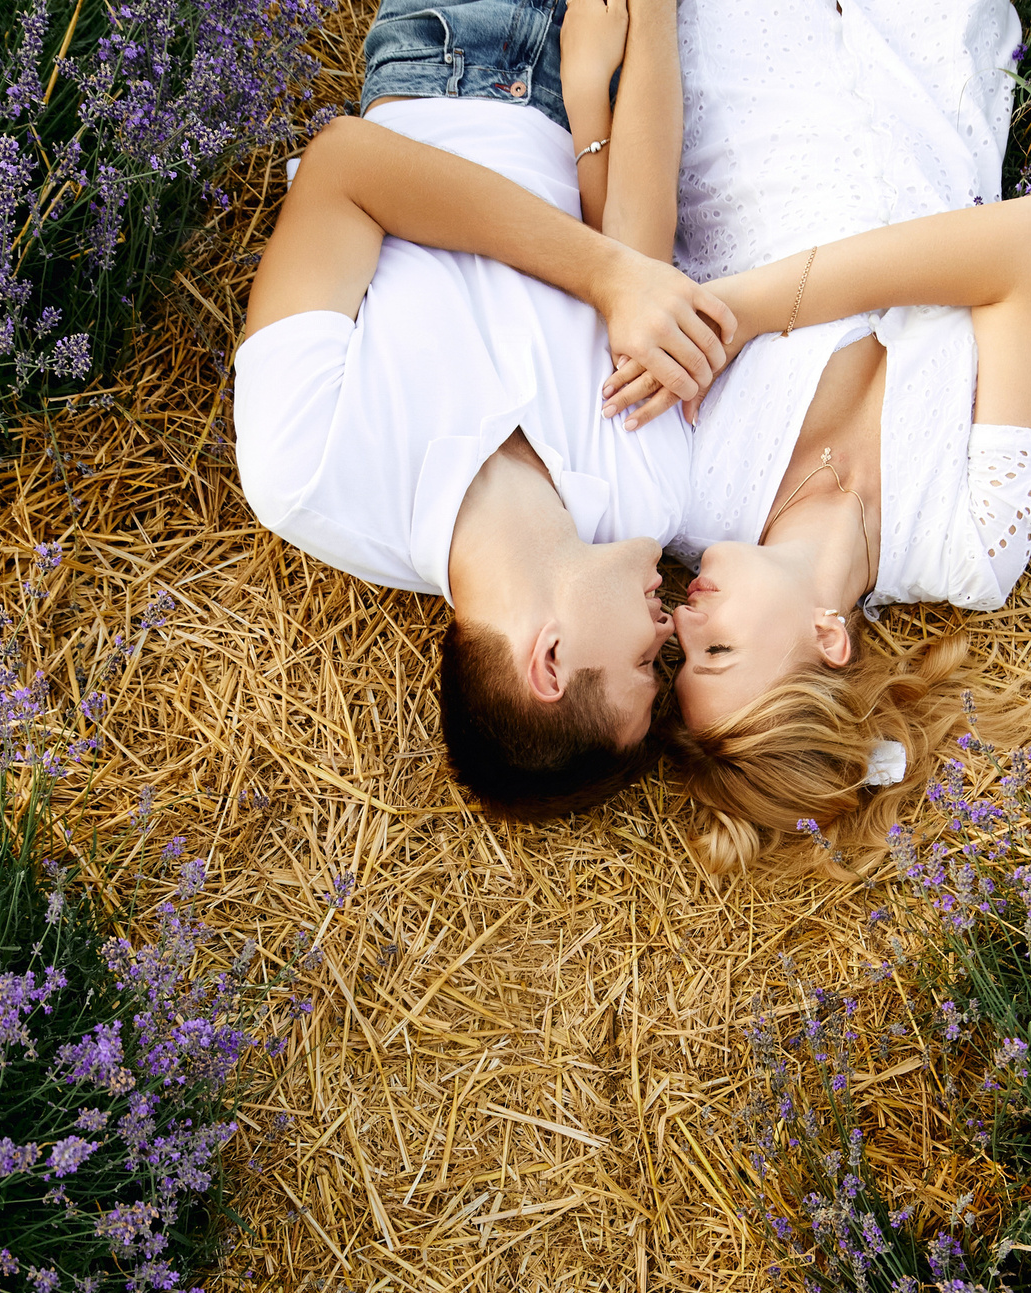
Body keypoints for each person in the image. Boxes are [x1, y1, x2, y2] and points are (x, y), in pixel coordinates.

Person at [602, 0, 1031, 876]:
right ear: (829, 640)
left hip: (739, 51)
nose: (681, 617)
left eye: (676, 654)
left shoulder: (683, 491)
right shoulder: (974, 542)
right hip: (931, 42)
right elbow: (1025, 249)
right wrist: (744, 314)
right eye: (718, 650)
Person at [233, 0, 735, 819]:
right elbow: (645, 256)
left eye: (647, 670)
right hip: (597, 91)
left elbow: (346, 168)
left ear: (550, 661)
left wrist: (605, 280)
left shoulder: (308, 469)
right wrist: (644, 26)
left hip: (452, 49)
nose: (670, 634)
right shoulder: (648, 498)